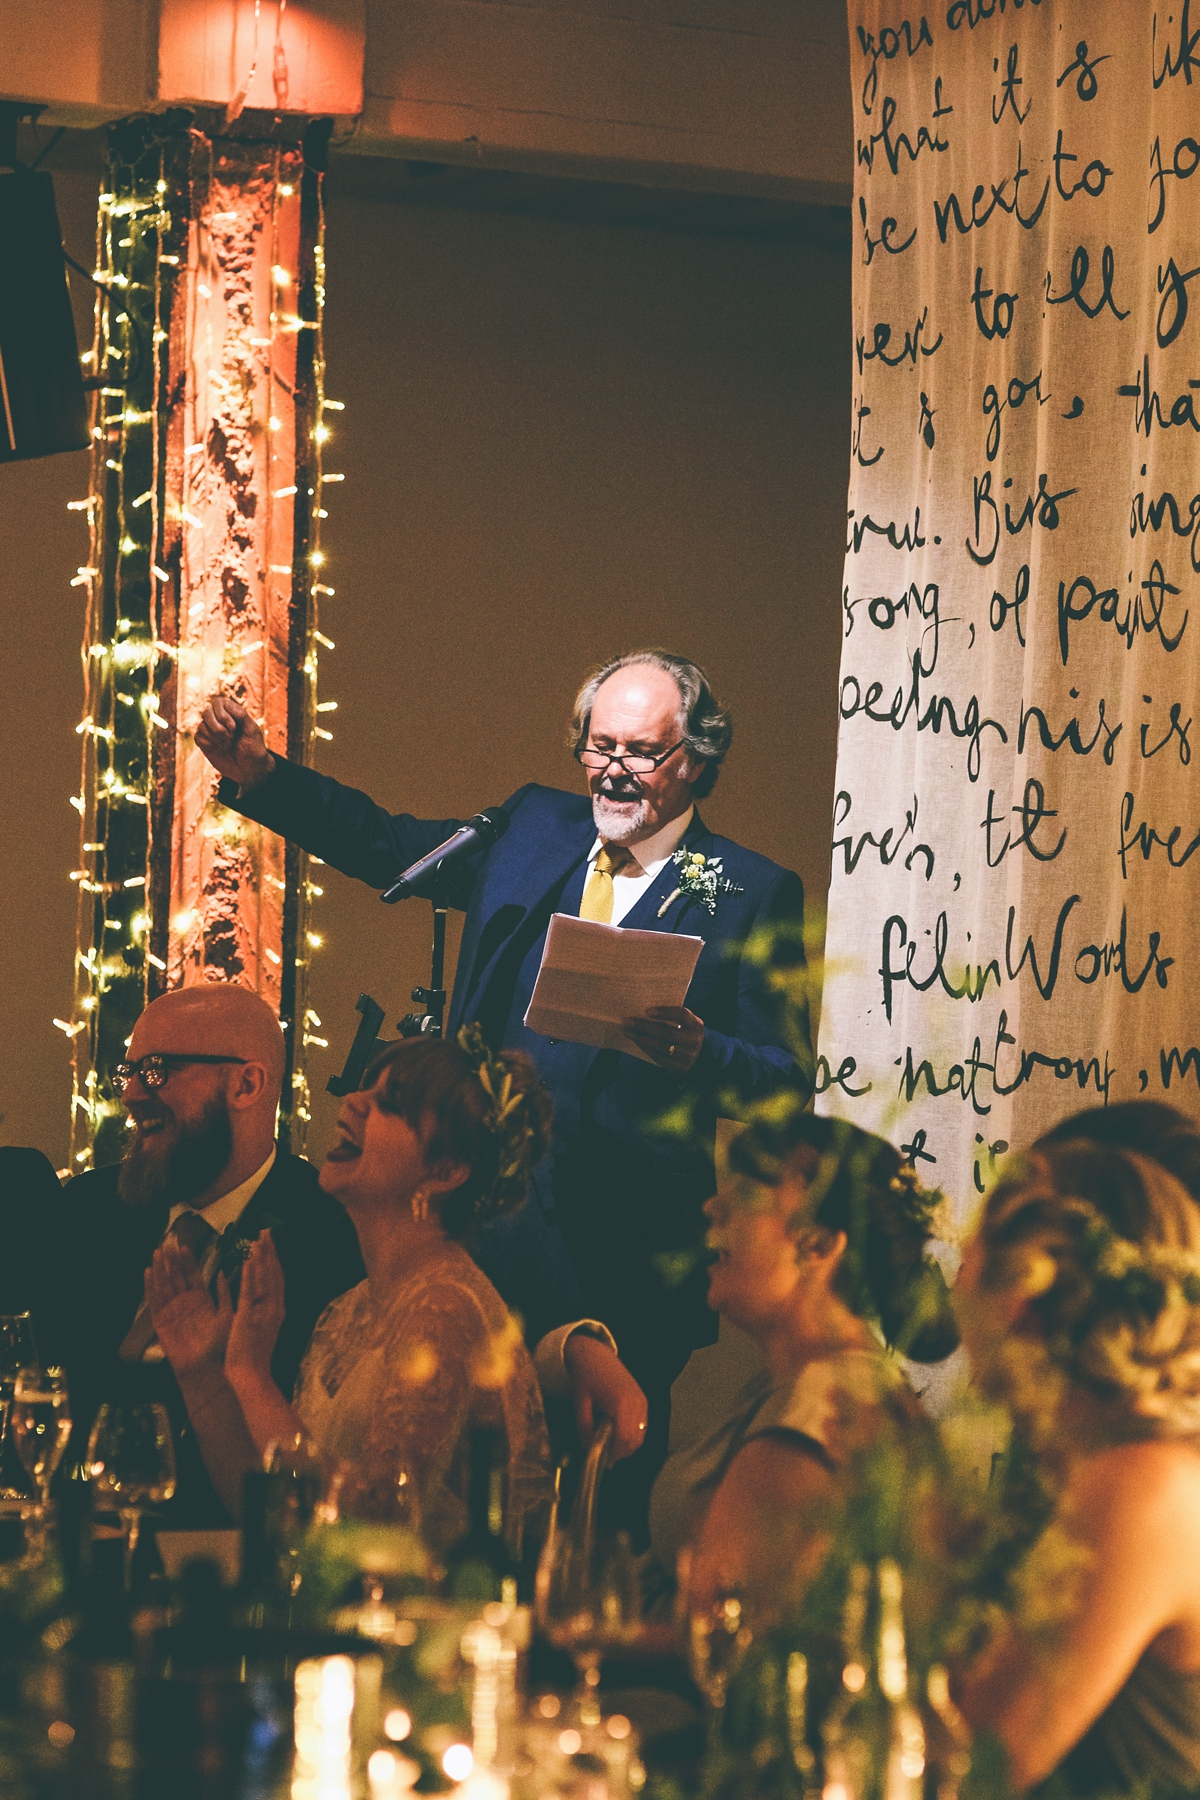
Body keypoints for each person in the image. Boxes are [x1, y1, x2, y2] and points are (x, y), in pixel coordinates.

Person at [196, 648, 813, 1538]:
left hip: (625, 1256)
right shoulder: (534, 829)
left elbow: (788, 1078)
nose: (614, 769)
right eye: (599, 745)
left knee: (593, 1527)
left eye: (641, 751)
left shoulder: (749, 892)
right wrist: (261, 775)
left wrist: (702, 1052)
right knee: (451, 1511)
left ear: (693, 762)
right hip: (481, 1233)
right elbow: (393, 846)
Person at [147, 1032, 553, 1546]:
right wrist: (205, 1376)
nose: (353, 1102)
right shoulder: (347, 1309)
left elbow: (374, 1525)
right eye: (365, 1090)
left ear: (446, 1171)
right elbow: (274, 1519)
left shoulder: (448, 1307)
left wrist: (252, 1377)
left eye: (388, 1103)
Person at [49, 985, 367, 1525]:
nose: (130, 1094)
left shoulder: (329, 1233)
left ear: (246, 1084)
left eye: (157, 1070)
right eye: (126, 1073)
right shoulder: (85, 1211)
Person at [954, 1137, 1200, 1794]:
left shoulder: (1142, 1488)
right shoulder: (1078, 1468)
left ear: (1018, 1296)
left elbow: (967, 1770)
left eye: (967, 1250)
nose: (953, 1274)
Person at [650, 1112, 958, 1626]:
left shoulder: (822, 1408)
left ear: (816, 1246)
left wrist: (566, 1630)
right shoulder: (817, 1383)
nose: (712, 1206)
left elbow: (724, 1643)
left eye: (748, 1194)